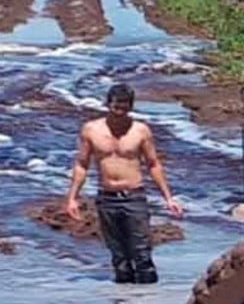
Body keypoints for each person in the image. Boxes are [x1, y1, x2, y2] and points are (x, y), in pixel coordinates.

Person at [65, 83, 183, 284]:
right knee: (119, 257)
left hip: (134, 196)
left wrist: (168, 198)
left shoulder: (140, 130)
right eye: (116, 107)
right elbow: (82, 165)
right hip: (106, 197)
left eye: (125, 107)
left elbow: (153, 164)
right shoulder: (91, 130)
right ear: (108, 104)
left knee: (142, 253)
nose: (120, 112)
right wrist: (72, 198)